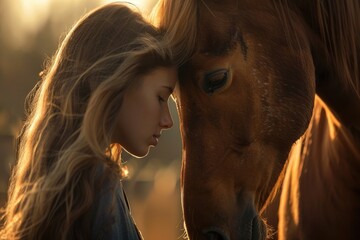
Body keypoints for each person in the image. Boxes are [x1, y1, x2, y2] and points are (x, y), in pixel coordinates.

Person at [0, 2, 177, 239]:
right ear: (119, 81)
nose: (168, 121)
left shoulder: (64, 179)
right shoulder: (98, 184)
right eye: (160, 97)